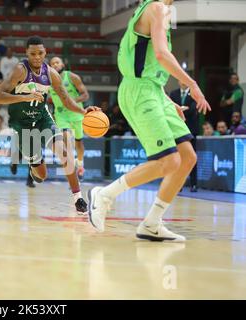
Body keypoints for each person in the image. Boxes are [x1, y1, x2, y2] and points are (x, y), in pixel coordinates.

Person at [87, 0, 211, 242]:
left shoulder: (157, 10)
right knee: (168, 161)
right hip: (140, 92)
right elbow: (161, 55)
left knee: (187, 158)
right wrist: (192, 83)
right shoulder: (157, 8)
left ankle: (152, 223)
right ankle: (104, 194)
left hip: (154, 90)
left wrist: (166, 99)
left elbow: (147, 64)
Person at [0, 36, 98, 215]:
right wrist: (24, 97)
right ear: (26, 53)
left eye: (40, 53)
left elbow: (66, 100)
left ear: (45, 53)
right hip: (22, 125)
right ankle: (33, 168)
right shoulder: (20, 70)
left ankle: (78, 198)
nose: (36, 57)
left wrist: (84, 112)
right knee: (42, 175)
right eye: (32, 53)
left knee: (64, 152)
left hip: (43, 119)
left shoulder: (51, 73)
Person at [49, 56, 89, 179]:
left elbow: (85, 95)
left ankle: (80, 164)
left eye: (57, 62)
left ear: (62, 65)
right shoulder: (48, 81)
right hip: (61, 114)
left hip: (76, 113)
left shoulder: (72, 77)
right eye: (52, 63)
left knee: (79, 143)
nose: (55, 64)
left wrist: (72, 101)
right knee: (66, 137)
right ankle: (72, 168)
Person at [170, 80, 198, 192]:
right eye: (181, 80)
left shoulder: (194, 93)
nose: (183, 82)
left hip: (191, 130)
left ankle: (194, 184)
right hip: (176, 130)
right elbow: (170, 109)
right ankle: (178, 184)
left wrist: (179, 110)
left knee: (192, 157)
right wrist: (179, 109)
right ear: (178, 81)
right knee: (177, 158)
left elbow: (192, 110)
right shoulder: (173, 94)